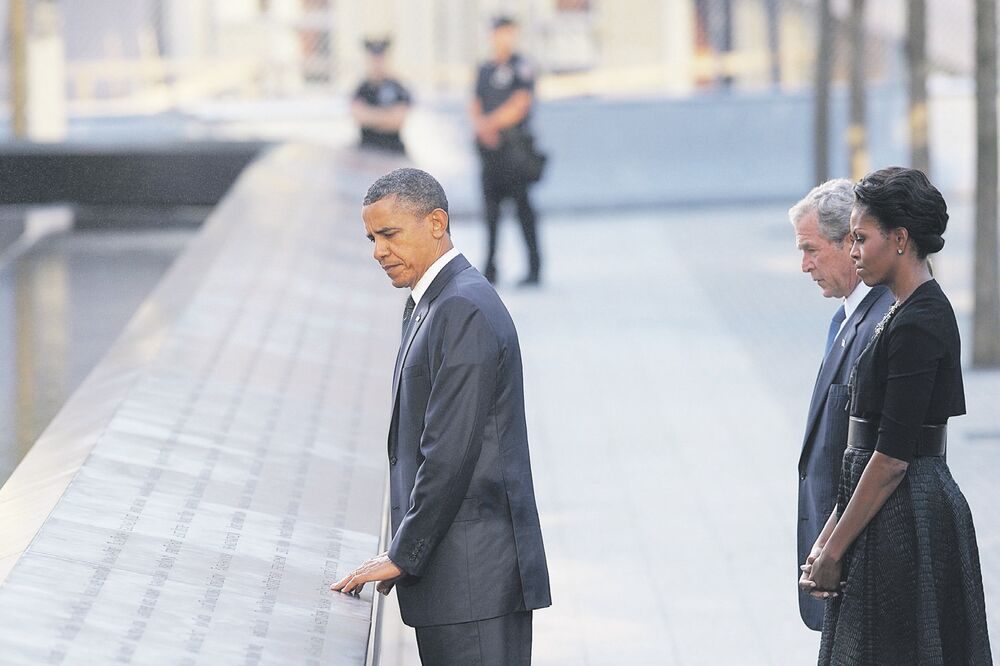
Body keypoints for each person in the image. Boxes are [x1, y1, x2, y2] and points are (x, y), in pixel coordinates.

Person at [332, 168, 551, 665]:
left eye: (389, 234)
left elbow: (447, 452)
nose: (378, 252)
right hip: (460, 581)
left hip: (475, 583)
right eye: (371, 238)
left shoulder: (460, 308)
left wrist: (400, 554)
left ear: (436, 222)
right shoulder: (433, 301)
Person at [800, 167, 992, 664]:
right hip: (886, 515)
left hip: (907, 519)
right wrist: (827, 542)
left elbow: (890, 459)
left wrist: (835, 550)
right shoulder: (901, 310)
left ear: (900, 239)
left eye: (861, 238)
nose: (855, 250)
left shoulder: (923, 320)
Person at [788, 179, 894, 632]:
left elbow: (885, 457)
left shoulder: (881, 322)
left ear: (850, 244)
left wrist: (832, 548)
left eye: (811, 250)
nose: (804, 265)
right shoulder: (847, 318)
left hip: (857, 557)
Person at [471, 15, 542, 286]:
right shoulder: (485, 69)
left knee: (523, 210)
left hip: (514, 150)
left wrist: (489, 123)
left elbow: (520, 104)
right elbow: (475, 102)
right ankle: (490, 267)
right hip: (490, 152)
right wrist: (481, 126)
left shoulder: (521, 66)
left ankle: (534, 267)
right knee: (490, 213)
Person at [351, 38, 411, 154]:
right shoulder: (361, 88)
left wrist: (370, 115)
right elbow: (358, 116)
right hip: (366, 148)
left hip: (393, 149)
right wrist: (386, 116)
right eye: (374, 59)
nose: (377, 63)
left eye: (380, 59)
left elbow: (398, 120)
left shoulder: (397, 87)